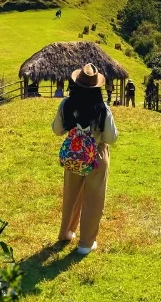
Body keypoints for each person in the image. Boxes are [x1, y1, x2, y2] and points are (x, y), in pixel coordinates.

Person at [52, 63, 118, 255]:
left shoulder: (66, 104)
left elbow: (57, 130)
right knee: (94, 200)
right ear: (97, 87)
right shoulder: (102, 108)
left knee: (71, 196)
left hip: (74, 155)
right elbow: (111, 138)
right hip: (96, 156)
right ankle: (85, 244)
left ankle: (66, 232)